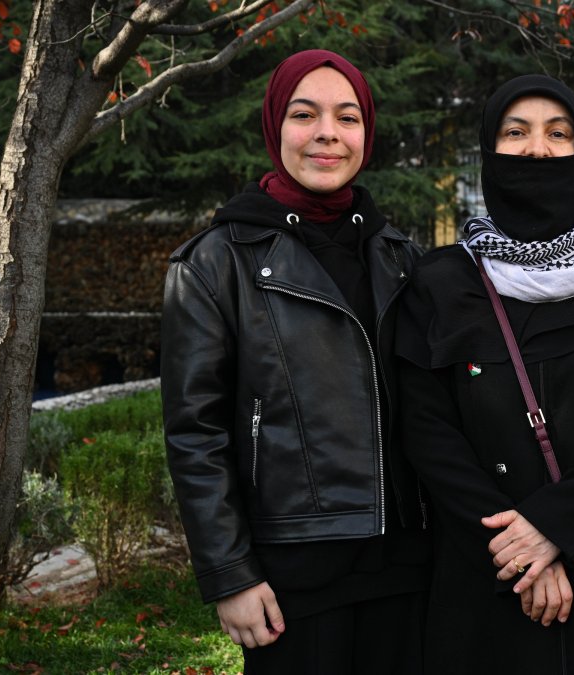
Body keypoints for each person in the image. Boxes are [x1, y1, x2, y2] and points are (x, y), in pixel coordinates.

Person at [394, 74, 574, 674]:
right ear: (488, 150)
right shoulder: (442, 282)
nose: (537, 150)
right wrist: (520, 553)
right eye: (516, 132)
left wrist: (554, 528)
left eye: (558, 134)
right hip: (488, 579)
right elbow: (428, 432)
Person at [160, 49, 429, 674]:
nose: (328, 134)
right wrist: (229, 574)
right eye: (305, 114)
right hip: (293, 578)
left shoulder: (399, 256)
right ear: (276, 125)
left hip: (410, 568)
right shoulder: (214, 263)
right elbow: (193, 434)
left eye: (349, 116)